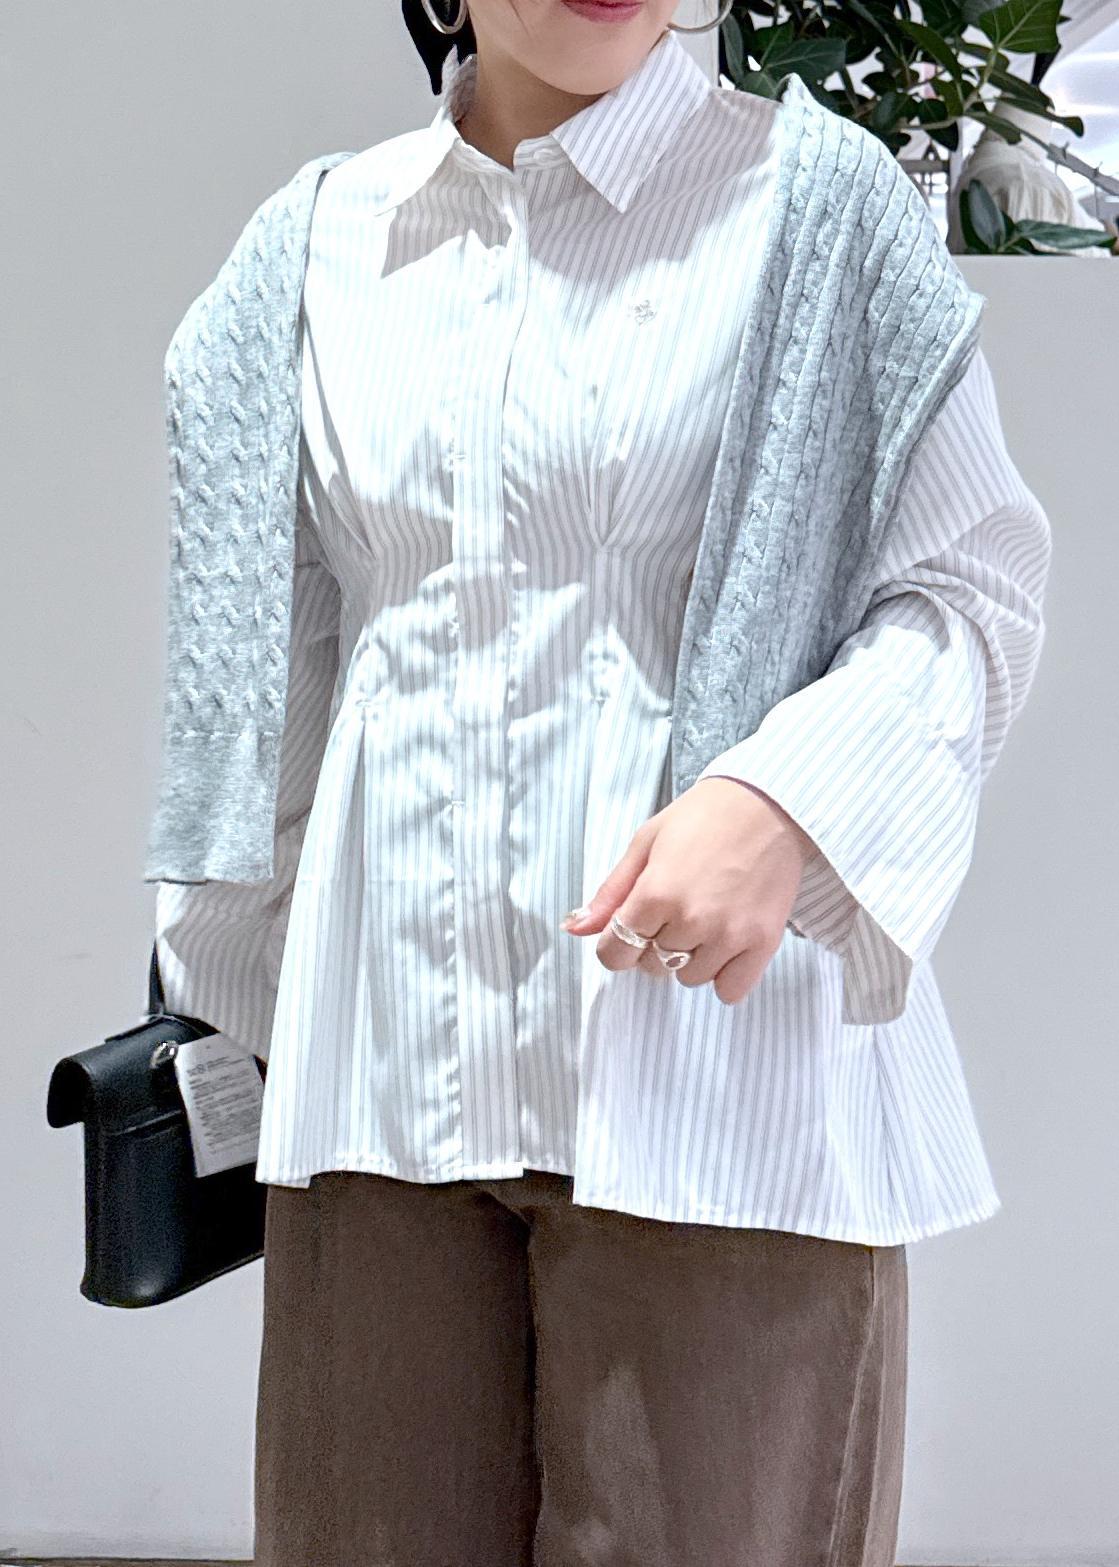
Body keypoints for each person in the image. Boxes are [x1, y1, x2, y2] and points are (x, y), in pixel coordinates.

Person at [148, 1, 1052, 1562]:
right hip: (380, 1094)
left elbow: (972, 590)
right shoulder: (311, 251)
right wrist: (234, 1023)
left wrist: (785, 802)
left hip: (724, 1094)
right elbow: (260, 683)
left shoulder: (822, 210)